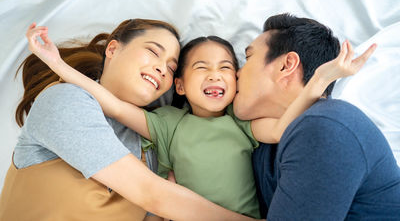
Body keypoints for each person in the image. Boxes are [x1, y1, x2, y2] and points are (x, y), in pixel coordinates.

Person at [25, 20, 374, 219]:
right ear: (180, 86)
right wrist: (59, 66)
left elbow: (286, 128)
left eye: (228, 67)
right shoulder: (166, 123)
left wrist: (320, 80)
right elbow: (114, 106)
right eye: (199, 68)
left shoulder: (242, 125)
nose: (216, 76)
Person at [0, 19, 263, 221]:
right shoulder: (64, 100)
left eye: (171, 67)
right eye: (153, 51)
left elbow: (159, 205)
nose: (162, 67)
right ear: (113, 49)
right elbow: (152, 194)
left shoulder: (155, 145)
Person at [233, 13, 400, 220]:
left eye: (247, 58)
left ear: (286, 65)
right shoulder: (260, 143)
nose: (235, 73)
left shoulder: (327, 127)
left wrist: (182, 203)